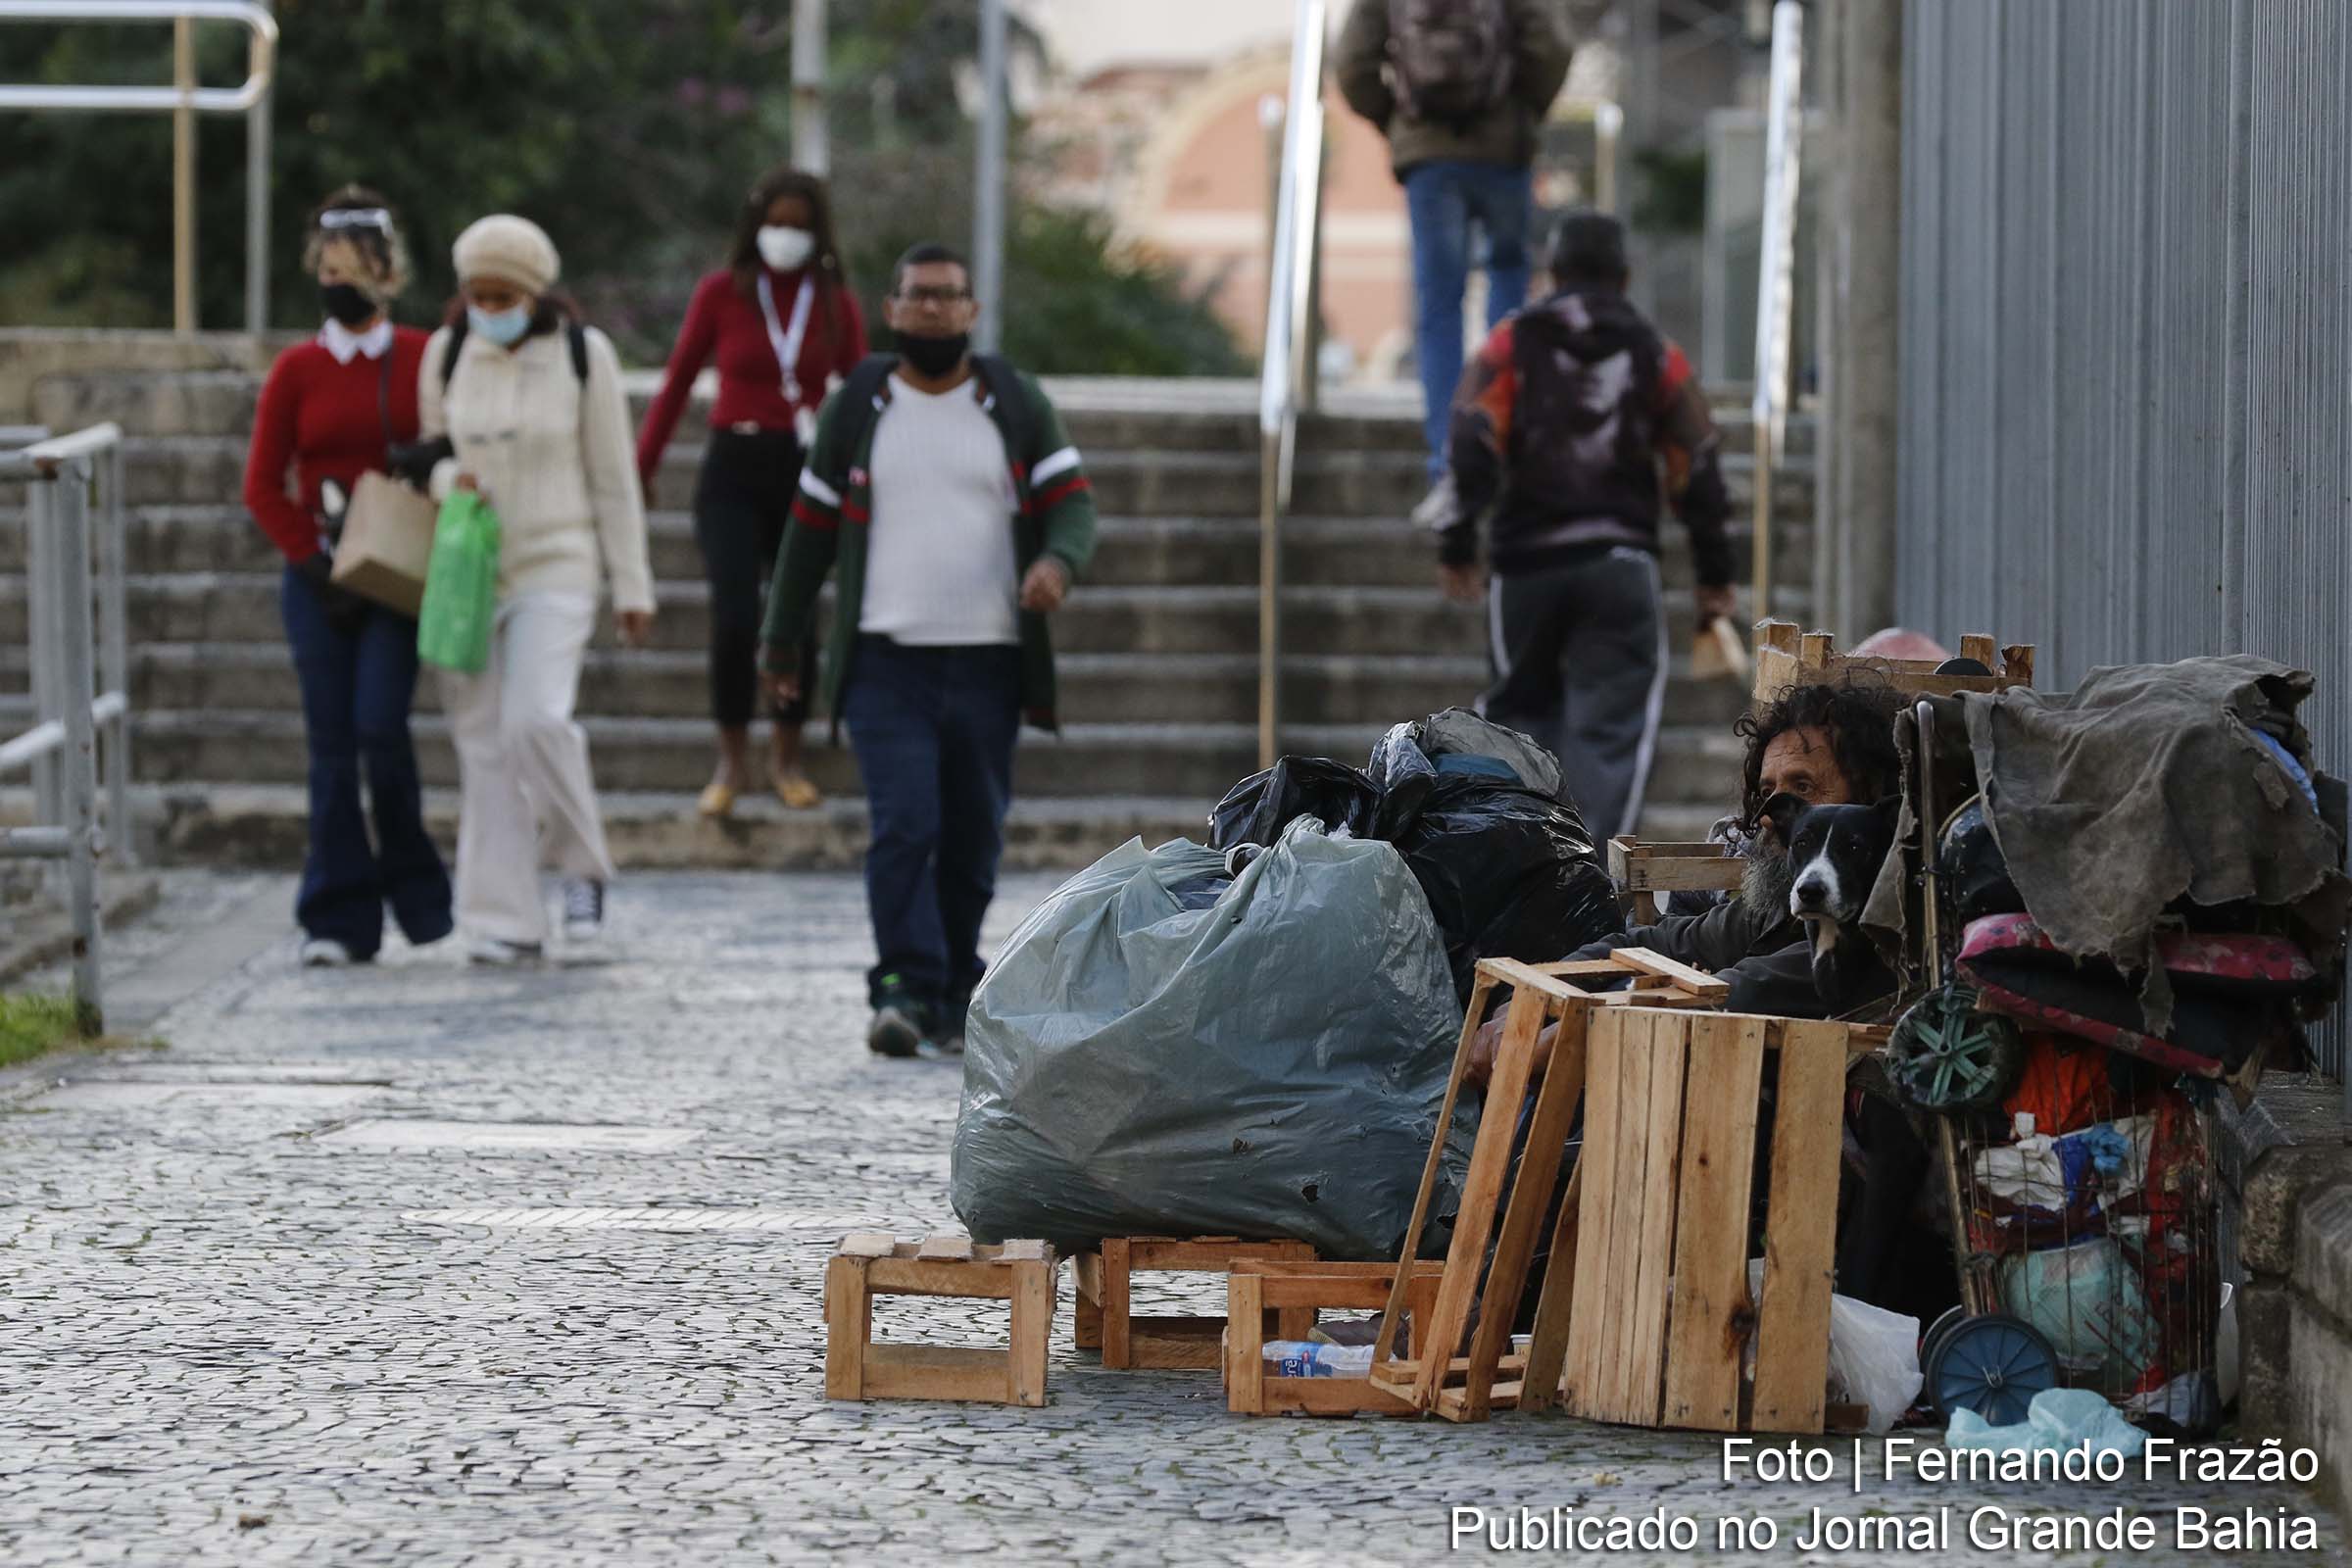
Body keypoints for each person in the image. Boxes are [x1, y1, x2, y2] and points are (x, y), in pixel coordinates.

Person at [761, 243, 1098, 1058]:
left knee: (974, 835)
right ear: (893, 309)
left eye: (950, 297)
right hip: (885, 659)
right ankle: (901, 984)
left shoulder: (1013, 401)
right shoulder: (859, 407)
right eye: (919, 296)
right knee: (905, 822)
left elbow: (1071, 506)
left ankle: (954, 985)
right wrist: (781, 640)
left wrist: (1057, 563)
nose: (935, 310)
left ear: (972, 312)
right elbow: (806, 537)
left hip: (987, 660)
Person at [1436, 209, 1738, 841]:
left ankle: (1513, 865)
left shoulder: (1511, 343)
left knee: (1516, 721)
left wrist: (1458, 538)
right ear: (1625, 278)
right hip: (1620, 564)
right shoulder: (1656, 352)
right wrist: (1713, 575)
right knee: (1611, 735)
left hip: (1525, 565)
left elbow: (1470, 436)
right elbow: (1698, 460)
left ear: (1552, 273)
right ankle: (1593, 880)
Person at [406, 215, 656, 965]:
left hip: (559, 561)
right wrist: (455, 478)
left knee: (535, 721)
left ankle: (583, 869)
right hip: (470, 569)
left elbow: (614, 477)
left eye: (502, 292)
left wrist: (631, 583)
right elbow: (430, 455)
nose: (489, 305)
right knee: (481, 742)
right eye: (476, 292)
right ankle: (503, 914)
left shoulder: (584, 355)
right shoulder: (448, 353)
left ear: (533, 291)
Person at [241, 188, 452, 968]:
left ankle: (419, 891)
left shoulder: (423, 354)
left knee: (380, 731)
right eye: (327, 270)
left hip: (392, 570)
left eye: (354, 270)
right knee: (331, 749)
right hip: (319, 575)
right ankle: (337, 915)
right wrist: (311, 560)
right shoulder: (298, 368)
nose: (339, 282)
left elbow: (447, 442)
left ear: (386, 276)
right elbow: (262, 483)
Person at [636, 166, 866, 818]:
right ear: (754, 228)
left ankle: (787, 758)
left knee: (793, 620)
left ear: (817, 233)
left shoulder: (833, 301)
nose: (784, 236)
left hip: (806, 472)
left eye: (798, 226)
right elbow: (678, 379)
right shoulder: (722, 292)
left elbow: (863, 390)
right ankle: (731, 760)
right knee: (735, 618)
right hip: (732, 468)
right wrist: (642, 464)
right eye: (775, 224)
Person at [1336, 0, 1575, 503]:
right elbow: (1552, 44)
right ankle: (1501, 439)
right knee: (1509, 290)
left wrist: (1402, 122)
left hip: (1430, 158)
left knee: (1439, 307)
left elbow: (1352, 62)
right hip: (1503, 152)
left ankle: (1449, 462)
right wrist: (1522, 110)